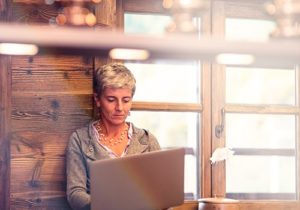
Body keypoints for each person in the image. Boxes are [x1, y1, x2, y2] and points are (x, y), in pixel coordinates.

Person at [66, 63, 161, 210]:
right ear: (97, 99)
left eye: (126, 100)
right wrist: (107, 204)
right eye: (111, 100)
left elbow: (161, 194)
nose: (120, 108)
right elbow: (75, 194)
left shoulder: (147, 140)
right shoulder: (80, 139)